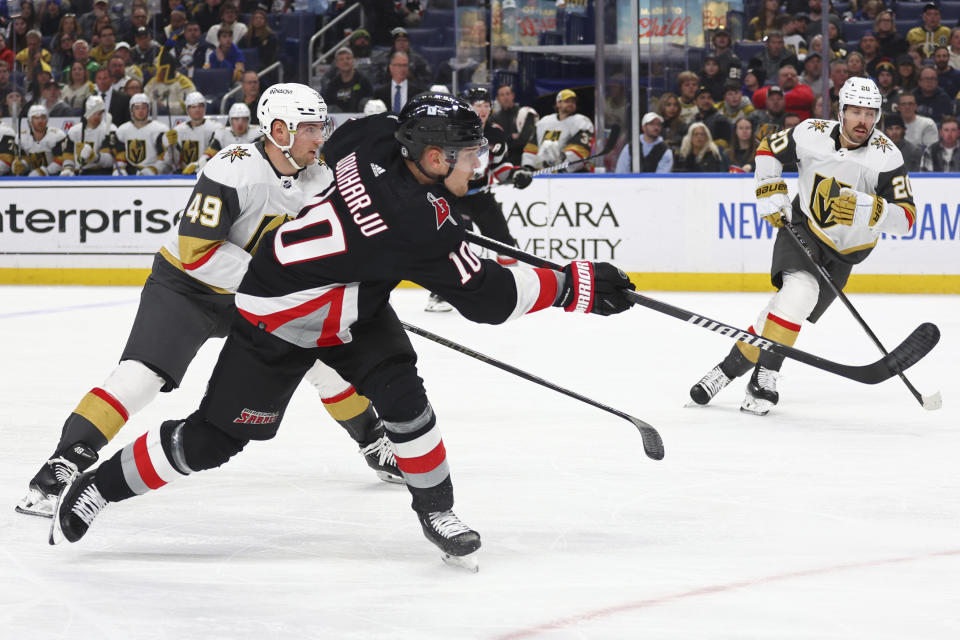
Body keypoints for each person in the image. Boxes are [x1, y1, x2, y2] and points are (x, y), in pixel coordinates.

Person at [48, 90, 636, 573]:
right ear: (432, 158)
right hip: (279, 314)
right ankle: (98, 486)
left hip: (355, 307)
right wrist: (578, 286)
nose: (475, 163)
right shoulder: (414, 228)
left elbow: (381, 164)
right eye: (467, 155)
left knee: (406, 401)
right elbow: (492, 298)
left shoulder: (371, 136)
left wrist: (440, 210)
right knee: (212, 440)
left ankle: (437, 511)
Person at [21, 84, 401, 520]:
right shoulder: (235, 167)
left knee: (325, 363)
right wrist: (281, 282)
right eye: (312, 128)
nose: (321, 137)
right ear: (279, 130)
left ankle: (374, 441)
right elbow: (196, 250)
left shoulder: (321, 178)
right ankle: (63, 464)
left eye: (322, 126)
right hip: (189, 288)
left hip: (258, 296)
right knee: (140, 378)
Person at [689, 77, 916, 415]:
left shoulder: (887, 157)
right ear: (841, 111)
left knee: (780, 312)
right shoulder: (810, 133)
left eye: (870, 113)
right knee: (798, 294)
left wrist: (869, 208)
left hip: (844, 255)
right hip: (803, 229)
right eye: (855, 111)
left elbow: (907, 217)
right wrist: (768, 185)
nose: (863, 121)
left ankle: (724, 371)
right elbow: (768, 147)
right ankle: (764, 378)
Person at [424, 87, 530, 311]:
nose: (482, 110)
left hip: (481, 197)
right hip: (453, 197)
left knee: (504, 243)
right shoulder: (450, 130)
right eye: (477, 105)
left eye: (486, 106)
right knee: (455, 243)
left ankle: (511, 290)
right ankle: (441, 294)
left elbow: (500, 169)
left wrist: (517, 174)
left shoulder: (496, 134)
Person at [522, 88, 594, 172]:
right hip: (542, 173)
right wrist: (528, 167)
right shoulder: (544, 122)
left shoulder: (581, 122)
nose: (571, 104)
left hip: (568, 175)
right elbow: (531, 148)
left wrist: (562, 169)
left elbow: (580, 150)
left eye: (573, 102)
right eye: (567, 101)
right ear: (558, 103)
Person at [113, 93, 173, 175]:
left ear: (148, 109)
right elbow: (120, 154)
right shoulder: (122, 130)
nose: (140, 111)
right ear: (131, 110)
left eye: (143, 108)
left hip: (154, 176)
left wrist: (154, 170)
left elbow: (165, 159)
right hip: (129, 174)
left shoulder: (160, 130)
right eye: (137, 108)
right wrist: (119, 169)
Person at [60, 95, 118, 176]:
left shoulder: (110, 130)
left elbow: (111, 161)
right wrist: (68, 168)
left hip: (102, 174)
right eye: (94, 112)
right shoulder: (74, 131)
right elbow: (68, 155)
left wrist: (95, 157)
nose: (97, 116)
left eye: (100, 113)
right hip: (79, 174)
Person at [169, 91, 222, 174]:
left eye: (200, 106)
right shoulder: (178, 130)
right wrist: (170, 146)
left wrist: (198, 165)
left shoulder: (216, 128)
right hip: (184, 175)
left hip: (207, 174)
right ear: (187, 109)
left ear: (205, 108)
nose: (197, 109)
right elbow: (173, 161)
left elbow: (216, 155)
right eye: (193, 107)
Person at [145, 47, 198, 116]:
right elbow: (144, 99)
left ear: (169, 69)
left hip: (177, 120)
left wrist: (164, 106)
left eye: (162, 69)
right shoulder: (153, 82)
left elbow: (187, 106)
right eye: (157, 69)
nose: (159, 72)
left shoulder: (184, 83)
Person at [323, 46, 374, 113]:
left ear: (353, 61)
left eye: (348, 58)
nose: (345, 61)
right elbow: (328, 105)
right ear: (337, 64)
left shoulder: (363, 80)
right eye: (341, 59)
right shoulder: (332, 84)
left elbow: (372, 101)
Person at [237, 5, 278, 70]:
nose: (258, 20)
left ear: (265, 21)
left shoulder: (271, 37)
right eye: (256, 18)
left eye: (261, 18)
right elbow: (239, 50)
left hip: (264, 68)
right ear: (252, 21)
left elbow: (270, 57)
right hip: (247, 66)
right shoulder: (246, 37)